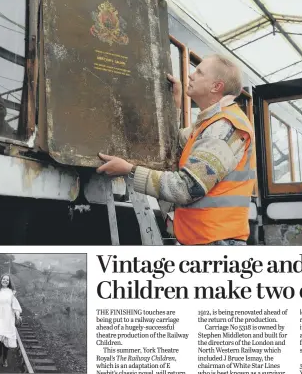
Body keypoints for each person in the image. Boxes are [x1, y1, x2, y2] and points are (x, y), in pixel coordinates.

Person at [97, 54, 256, 245]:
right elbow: (173, 144)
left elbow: (187, 187)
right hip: (207, 240)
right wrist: (174, 104)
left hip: (216, 243)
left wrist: (129, 171)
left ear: (216, 86)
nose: (190, 76)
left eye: (199, 72)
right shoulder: (208, 124)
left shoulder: (224, 127)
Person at [0, 274, 22, 367]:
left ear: (9, 282)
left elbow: (15, 306)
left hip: (7, 317)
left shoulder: (11, 293)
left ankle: (5, 358)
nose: (5, 281)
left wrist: (17, 315)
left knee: (5, 336)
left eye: (7, 280)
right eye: (3, 279)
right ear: (1, 281)